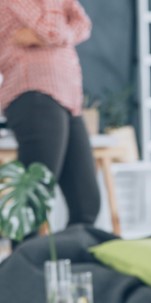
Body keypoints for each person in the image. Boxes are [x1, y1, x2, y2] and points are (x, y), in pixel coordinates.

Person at [0, 0, 100, 241]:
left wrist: (49, 37)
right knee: (30, 202)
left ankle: (69, 267)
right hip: (34, 93)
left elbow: (83, 25)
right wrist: (60, 32)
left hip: (69, 98)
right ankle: (23, 271)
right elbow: (51, 28)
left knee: (86, 204)